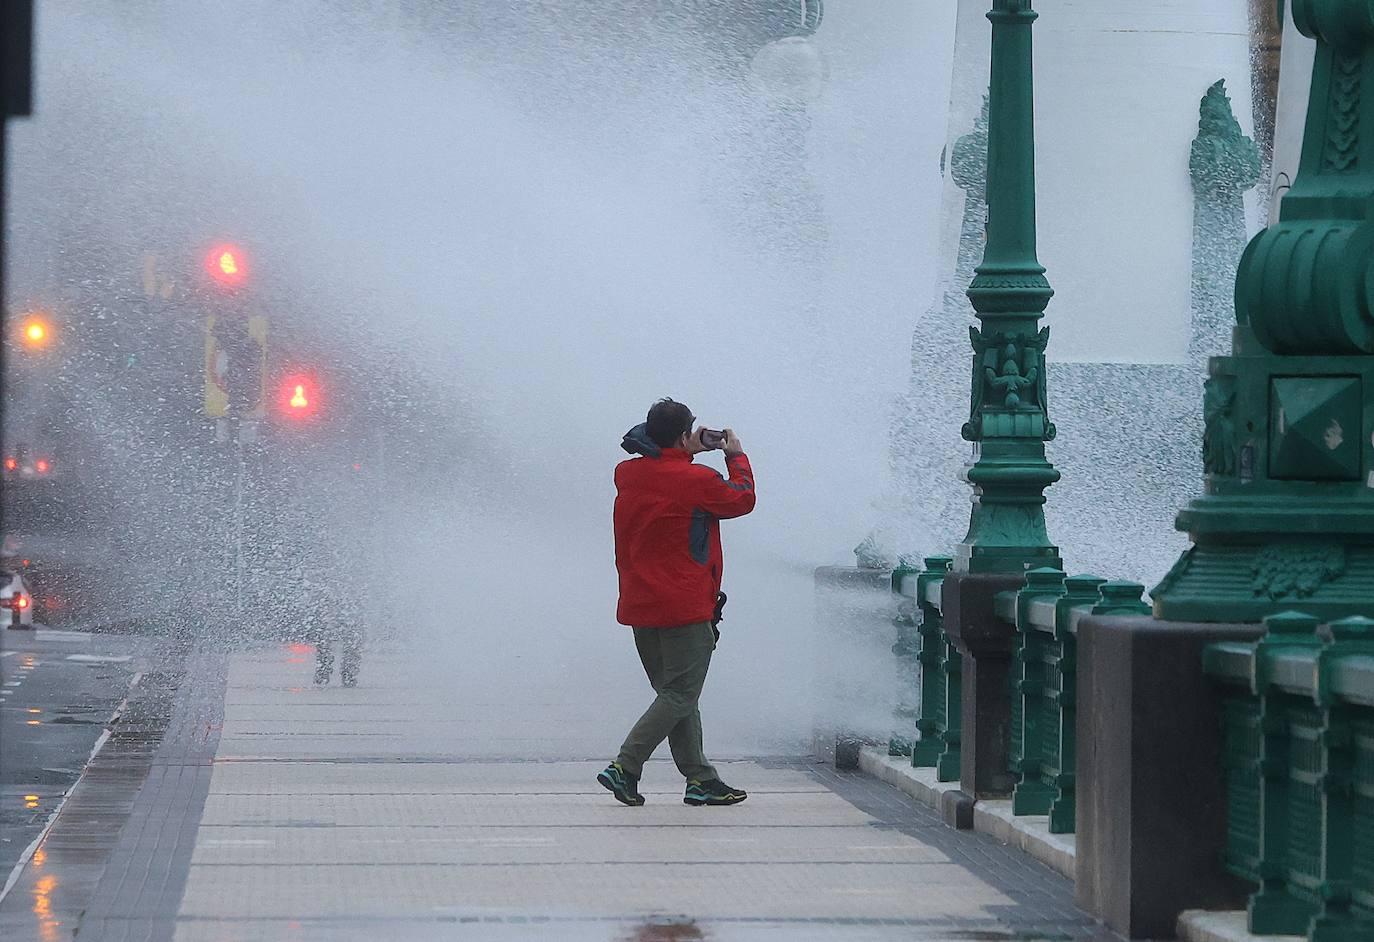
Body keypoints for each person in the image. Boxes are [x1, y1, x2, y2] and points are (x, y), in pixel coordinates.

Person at [598, 398, 756, 807]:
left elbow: (645, 446)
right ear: (685, 436)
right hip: (683, 606)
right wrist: (734, 455)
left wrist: (682, 444)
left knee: (676, 694)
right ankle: (625, 766)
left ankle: (700, 778)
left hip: (640, 604)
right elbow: (741, 498)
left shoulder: (627, 474)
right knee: (680, 694)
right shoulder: (696, 481)